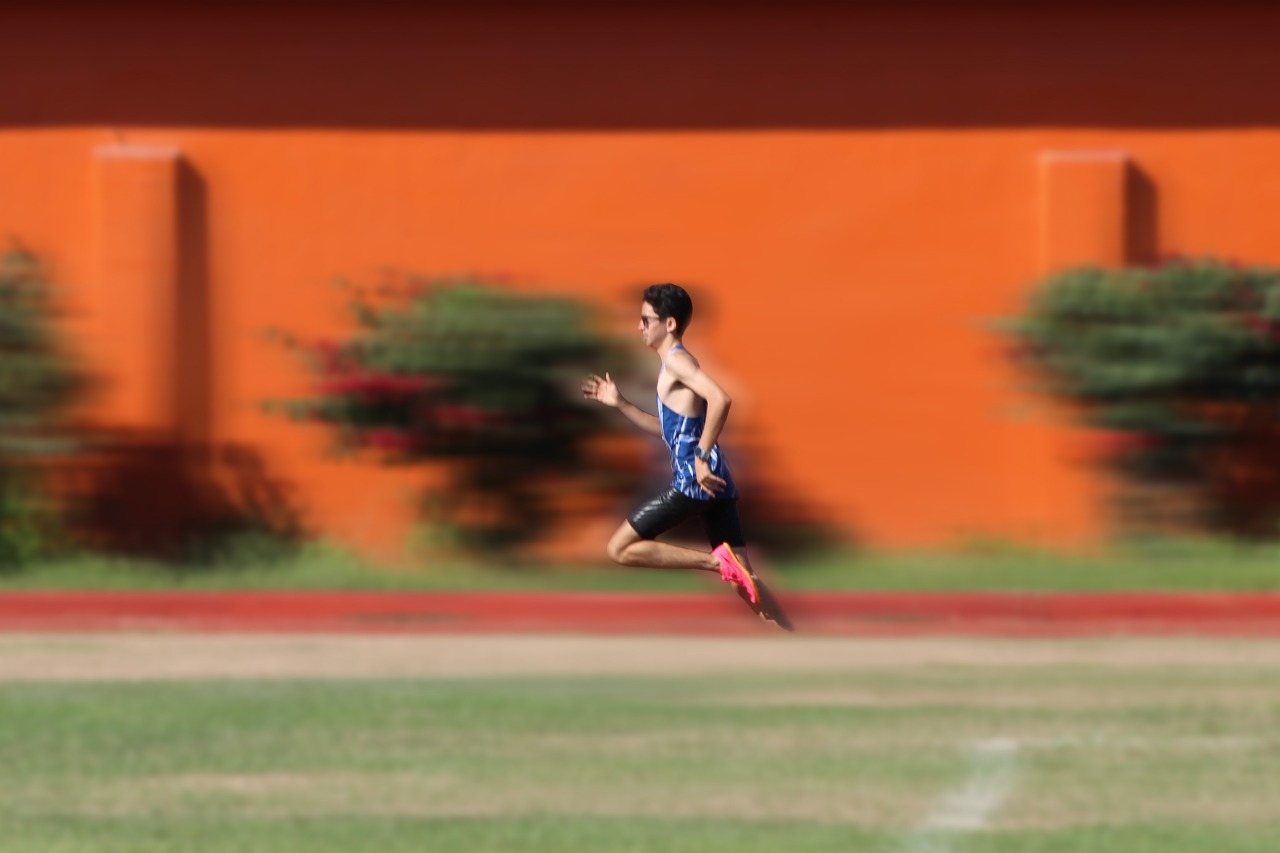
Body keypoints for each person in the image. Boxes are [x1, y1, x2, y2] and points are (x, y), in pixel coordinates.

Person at [583, 283, 785, 626]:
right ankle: (791, 633)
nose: (639, 327)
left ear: (670, 324)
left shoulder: (677, 363)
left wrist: (702, 455)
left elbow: (721, 398)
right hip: (716, 482)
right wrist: (620, 403)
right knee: (747, 582)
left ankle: (715, 563)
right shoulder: (671, 369)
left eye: (646, 320)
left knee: (620, 549)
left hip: (694, 480)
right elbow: (667, 432)